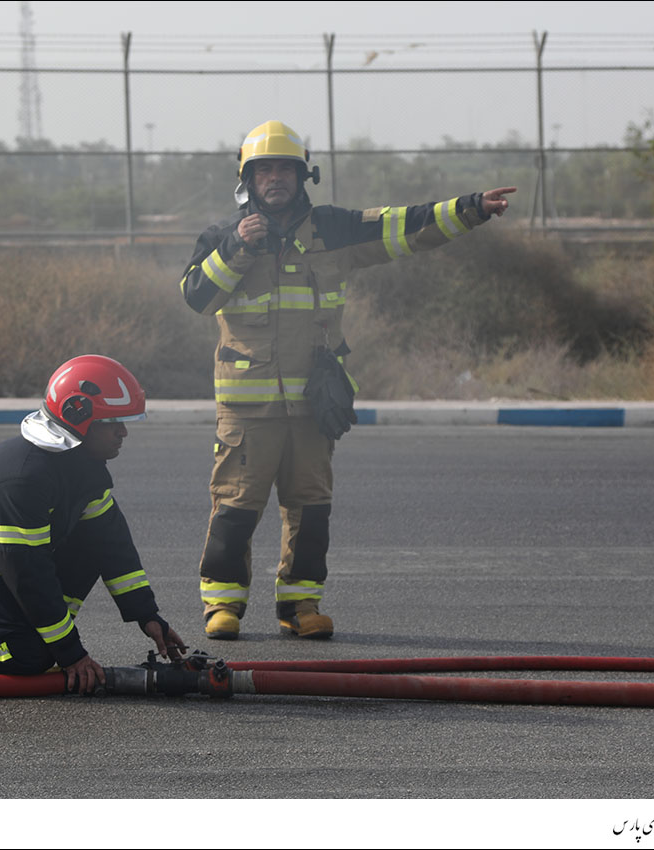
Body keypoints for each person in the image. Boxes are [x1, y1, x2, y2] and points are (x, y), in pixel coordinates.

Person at [180, 119, 515, 641]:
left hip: (314, 406)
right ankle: (222, 606)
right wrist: (236, 248)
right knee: (235, 509)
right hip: (247, 414)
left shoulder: (333, 229)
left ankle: (300, 605)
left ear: (303, 176)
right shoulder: (223, 237)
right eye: (264, 170)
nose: (275, 179)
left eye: (285, 169)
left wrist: (471, 208)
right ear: (247, 179)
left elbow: (406, 226)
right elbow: (198, 297)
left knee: (311, 511)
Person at [0, 354, 186, 693]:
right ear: (78, 416)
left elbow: (111, 544)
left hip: (5, 564)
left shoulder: (83, 466)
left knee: (90, 547)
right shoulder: (24, 479)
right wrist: (69, 652)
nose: (123, 432)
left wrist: (147, 615)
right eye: (113, 421)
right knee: (28, 656)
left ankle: (40, 631)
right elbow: (28, 573)